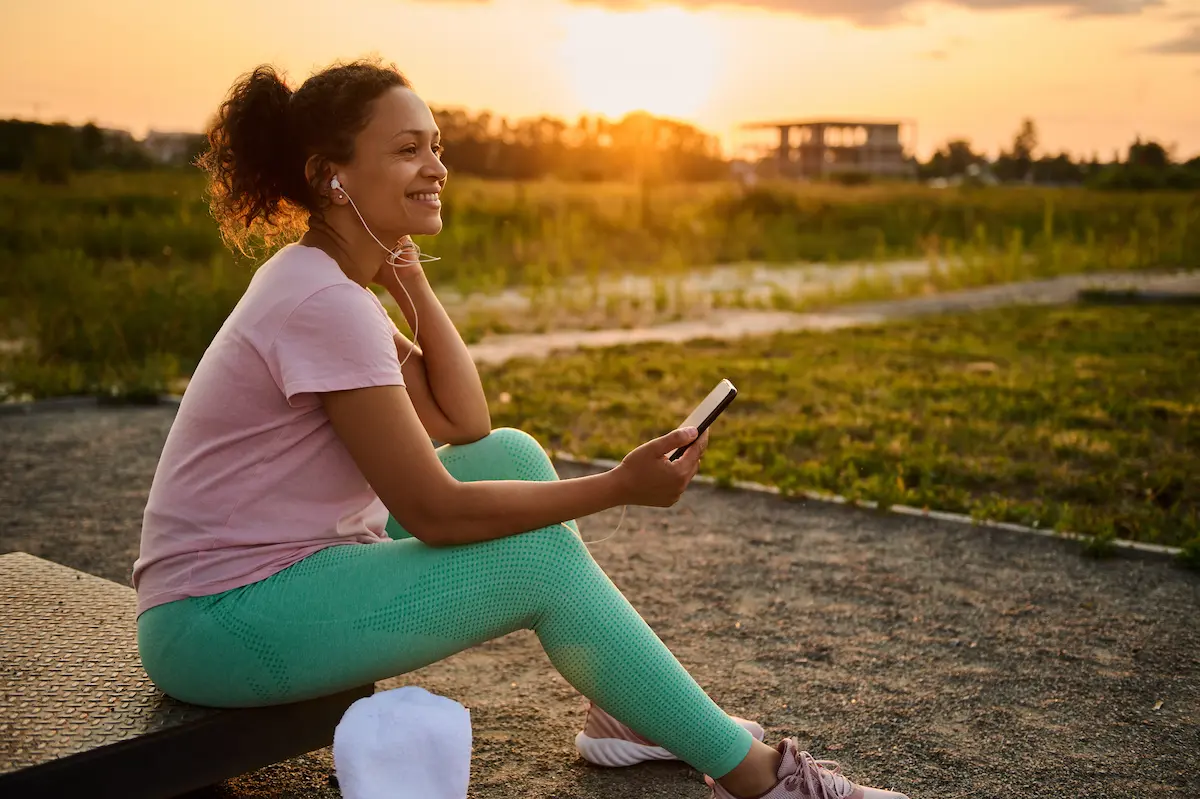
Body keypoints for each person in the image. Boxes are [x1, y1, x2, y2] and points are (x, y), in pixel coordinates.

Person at [131, 58, 910, 799]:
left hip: (260, 585)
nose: (436, 166)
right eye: (407, 150)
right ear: (328, 176)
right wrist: (615, 488)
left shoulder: (331, 287)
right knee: (537, 563)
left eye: (436, 146)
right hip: (218, 621)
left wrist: (405, 276)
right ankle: (762, 776)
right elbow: (434, 508)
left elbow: (463, 420)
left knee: (510, 454)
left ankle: (627, 709)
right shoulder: (321, 303)